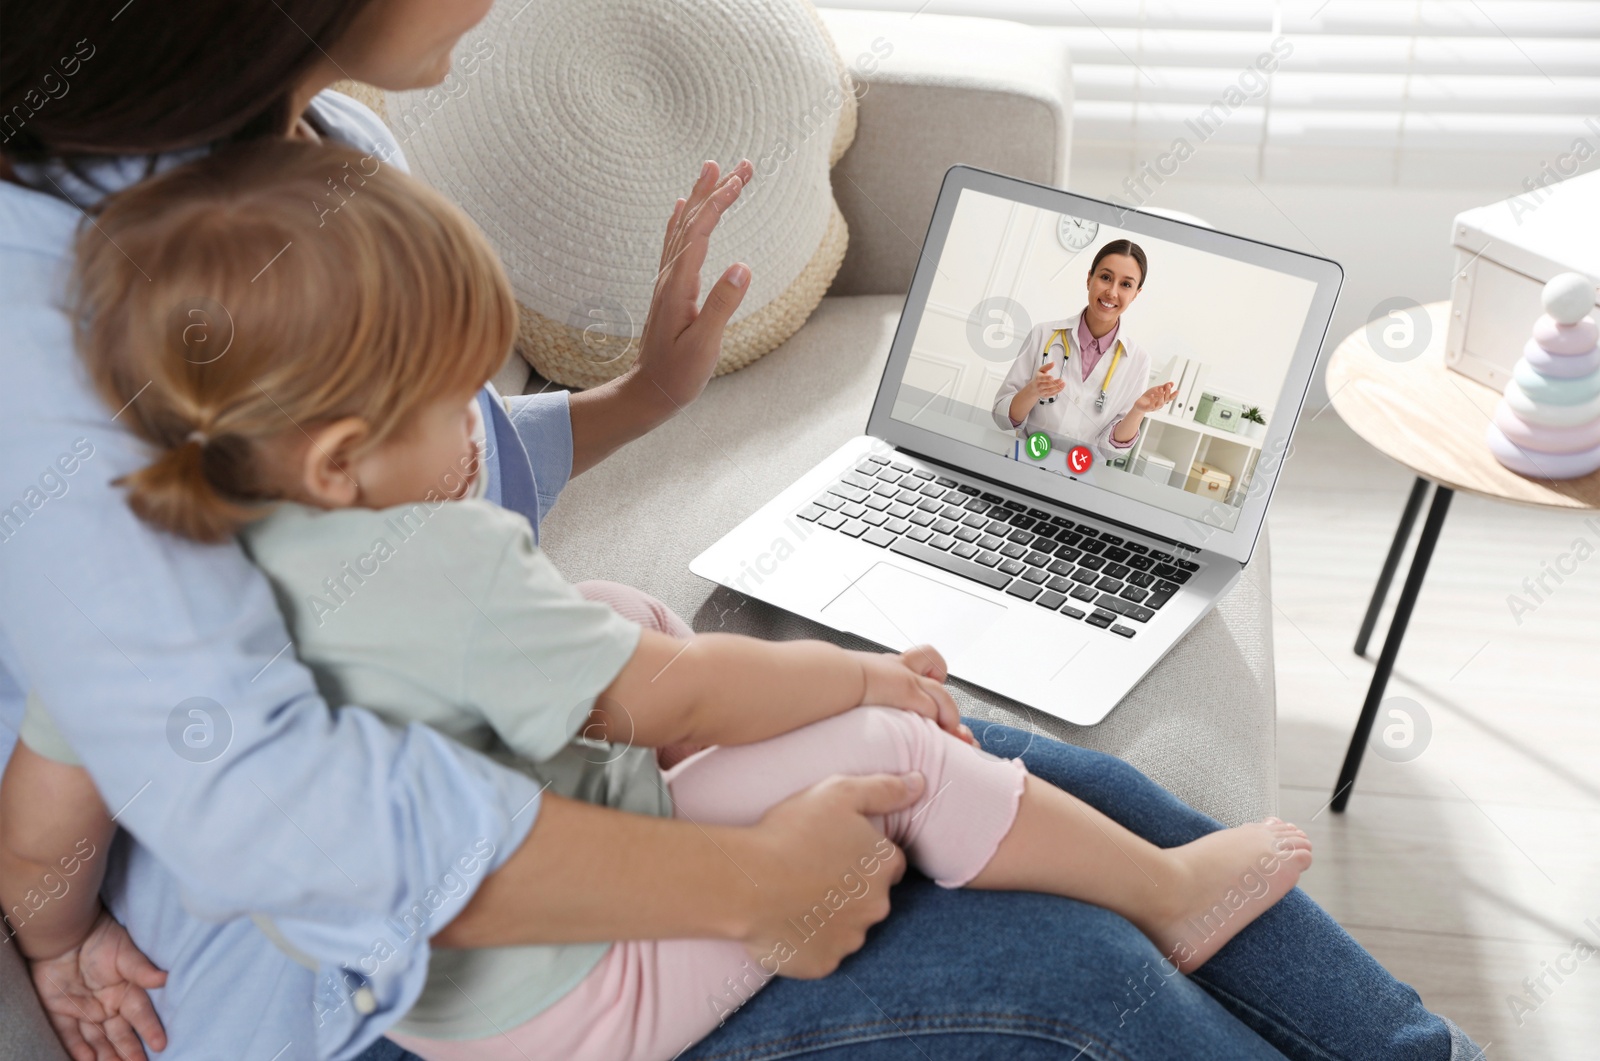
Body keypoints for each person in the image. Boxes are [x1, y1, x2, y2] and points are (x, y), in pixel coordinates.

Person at [0, 3, 1481, 1060]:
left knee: (1068, 780)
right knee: (1071, 967)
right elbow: (291, 807)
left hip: (521, 766)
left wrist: (641, 400)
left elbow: (405, 502)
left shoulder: (307, 140)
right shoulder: (52, 312)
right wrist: (753, 883)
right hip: (382, 987)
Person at [993, 240, 1177, 454]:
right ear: (1089, 278)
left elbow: (1111, 450)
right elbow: (1001, 417)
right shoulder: (1043, 334)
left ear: (1136, 293)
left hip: (1080, 473)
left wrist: (1138, 411)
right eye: (1106, 278)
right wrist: (1032, 391)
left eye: (1126, 284)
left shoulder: (1139, 360)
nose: (1112, 292)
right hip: (1026, 459)